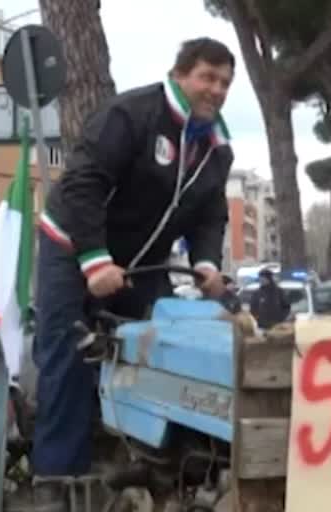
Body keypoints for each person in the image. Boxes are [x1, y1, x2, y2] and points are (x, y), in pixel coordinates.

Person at [31, 37, 236, 482]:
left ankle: (135, 466)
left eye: (225, 82)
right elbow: (83, 184)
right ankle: (59, 482)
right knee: (68, 353)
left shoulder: (217, 149)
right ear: (180, 75)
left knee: (153, 352)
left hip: (142, 262)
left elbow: (210, 215)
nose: (216, 90)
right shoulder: (130, 116)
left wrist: (205, 264)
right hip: (72, 246)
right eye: (207, 77)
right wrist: (94, 260)